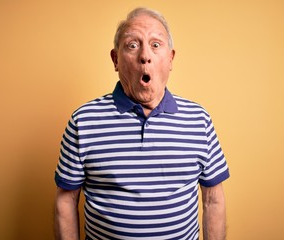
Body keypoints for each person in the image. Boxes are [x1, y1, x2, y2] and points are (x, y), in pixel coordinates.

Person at [54, 7, 229, 240]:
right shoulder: (83, 121)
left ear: (170, 59)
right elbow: (66, 200)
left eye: (156, 45)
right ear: (116, 59)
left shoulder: (199, 120)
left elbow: (213, 199)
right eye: (132, 45)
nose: (145, 55)